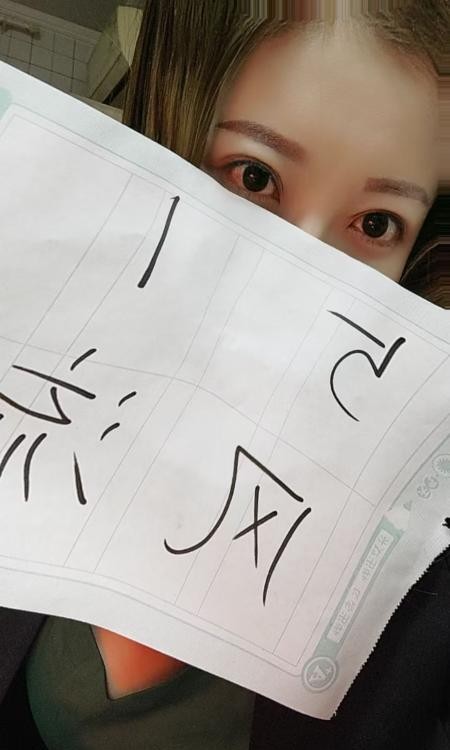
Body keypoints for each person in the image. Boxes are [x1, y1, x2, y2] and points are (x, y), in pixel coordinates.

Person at [0, 1, 449, 748]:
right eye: (255, 176)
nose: (304, 287)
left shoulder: (419, 554)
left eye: (375, 224)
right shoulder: (29, 362)